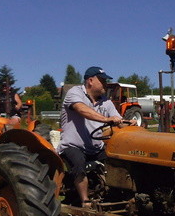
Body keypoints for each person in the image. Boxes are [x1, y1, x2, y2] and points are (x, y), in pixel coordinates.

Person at [56, 66, 135, 206]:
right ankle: (85, 202)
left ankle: (116, 198)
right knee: (79, 164)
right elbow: (81, 109)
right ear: (90, 81)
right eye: (102, 80)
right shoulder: (75, 93)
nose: (105, 84)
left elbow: (118, 121)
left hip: (95, 148)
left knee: (116, 164)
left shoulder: (106, 101)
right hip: (73, 146)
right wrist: (106, 119)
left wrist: (130, 124)